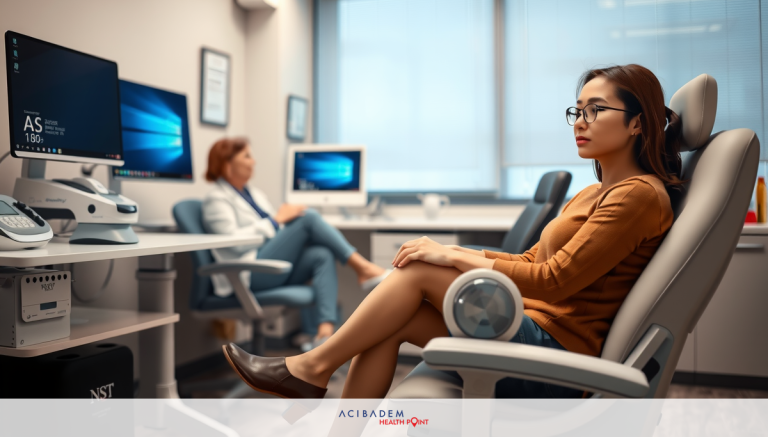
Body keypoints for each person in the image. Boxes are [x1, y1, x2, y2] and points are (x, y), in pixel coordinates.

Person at [221, 64, 685, 399]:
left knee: (417, 270)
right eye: (576, 110)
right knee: (387, 322)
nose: (580, 122)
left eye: (596, 110)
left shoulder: (638, 195)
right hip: (524, 329)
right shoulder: (592, 193)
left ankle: (310, 368)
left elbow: (554, 280)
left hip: (556, 354)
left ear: (638, 122)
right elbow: (530, 262)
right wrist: (456, 250)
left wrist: (451, 256)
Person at [202, 137, 390, 346]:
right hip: (247, 273)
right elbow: (234, 242)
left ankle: (324, 335)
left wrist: (285, 228)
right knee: (308, 217)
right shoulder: (216, 199)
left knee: (321, 254)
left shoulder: (253, 194)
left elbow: (276, 231)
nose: (253, 162)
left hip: (268, 264)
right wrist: (276, 220)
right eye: (247, 156)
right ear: (227, 164)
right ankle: (362, 268)